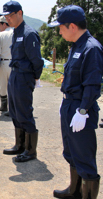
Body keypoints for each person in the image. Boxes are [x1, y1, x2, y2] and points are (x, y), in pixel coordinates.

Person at [48, 5, 102, 198]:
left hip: (81, 109)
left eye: (60, 27)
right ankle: (75, 191)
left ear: (72, 26)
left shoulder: (91, 48)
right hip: (70, 105)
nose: (59, 31)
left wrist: (83, 111)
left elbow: (93, 85)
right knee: (71, 152)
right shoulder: (76, 46)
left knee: (84, 158)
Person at [0, 1, 44, 162]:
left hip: (24, 77)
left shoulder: (28, 33)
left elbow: (37, 61)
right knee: (15, 111)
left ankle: (31, 150)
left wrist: (35, 78)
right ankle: (20, 145)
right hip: (15, 74)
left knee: (24, 112)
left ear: (20, 13)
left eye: (10, 15)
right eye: (6, 16)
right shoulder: (16, 32)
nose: (8, 19)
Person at [0, 16, 13, 115]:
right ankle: (13, 108)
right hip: (15, 63)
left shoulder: (1, 35)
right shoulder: (17, 32)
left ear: (4, 24)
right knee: (13, 87)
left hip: (4, 63)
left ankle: (4, 106)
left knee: (3, 85)